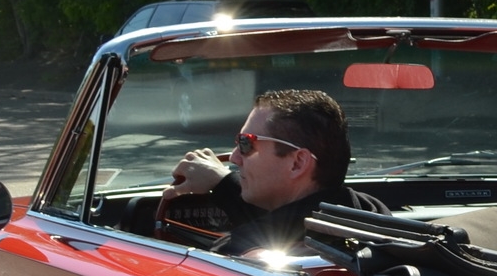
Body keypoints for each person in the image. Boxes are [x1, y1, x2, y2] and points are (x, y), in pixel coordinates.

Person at [163, 87, 386, 255]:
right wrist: (223, 184)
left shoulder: (238, 252)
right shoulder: (374, 216)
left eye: (246, 143)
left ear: (297, 163)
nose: (234, 157)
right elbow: (292, 219)